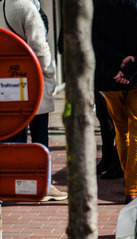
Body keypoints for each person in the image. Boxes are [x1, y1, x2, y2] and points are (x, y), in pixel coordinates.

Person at [93, 0, 137, 204]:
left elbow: (94, 39)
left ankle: (130, 185)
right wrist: (130, 67)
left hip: (110, 75)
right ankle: (132, 189)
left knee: (121, 131)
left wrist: (119, 62)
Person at [0, 0, 67, 201]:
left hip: (11, 84)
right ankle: (43, 186)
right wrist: (50, 77)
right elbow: (40, 47)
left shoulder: (3, 6)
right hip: (33, 82)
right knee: (40, 137)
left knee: (14, 137)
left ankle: (14, 185)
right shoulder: (26, 7)